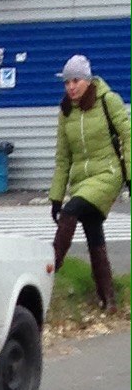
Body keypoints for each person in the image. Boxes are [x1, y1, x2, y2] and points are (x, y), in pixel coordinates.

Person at [49, 54, 131, 313]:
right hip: (81, 180)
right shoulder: (66, 112)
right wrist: (56, 196)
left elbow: (128, 137)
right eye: (66, 82)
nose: (71, 87)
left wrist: (129, 177)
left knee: (71, 212)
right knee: (93, 231)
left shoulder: (108, 101)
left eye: (75, 81)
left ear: (87, 80)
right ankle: (108, 300)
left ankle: (48, 274)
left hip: (107, 174)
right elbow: (63, 158)